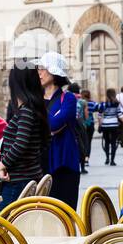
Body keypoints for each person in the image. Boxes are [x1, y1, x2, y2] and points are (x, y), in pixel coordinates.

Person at [0, 66, 50, 209]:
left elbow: (21, 143)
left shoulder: (26, 111)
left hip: (18, 181)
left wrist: (3, 164)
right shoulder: (33, 109)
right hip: (29, 177)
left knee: (5, 227)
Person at [38, 52, 81, 209]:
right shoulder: (36, 99)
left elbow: (54, 125)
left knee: (65, 212)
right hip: (40, 164)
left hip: (64, 165)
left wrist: (43, 121)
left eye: (43, 68)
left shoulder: (68, 98)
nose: (39, 72)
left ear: (54, 72)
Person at [94, 88, 123, 165]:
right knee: (113, 143)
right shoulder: (117, 104)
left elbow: (99, 116)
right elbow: (120, 115)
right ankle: (112, 161)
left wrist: (100, 125)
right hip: (114, 125)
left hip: (105, 125)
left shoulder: (103, 104)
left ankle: (107, 158)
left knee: (106, 142)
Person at [76, 85, 95, 174]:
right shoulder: (83, 102)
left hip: (72, 126)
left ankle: (77, 165)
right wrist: (86, 123)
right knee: (85, 144)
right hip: (83, 125)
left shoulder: (69, 99)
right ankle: (84, 164)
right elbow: (86, 115)